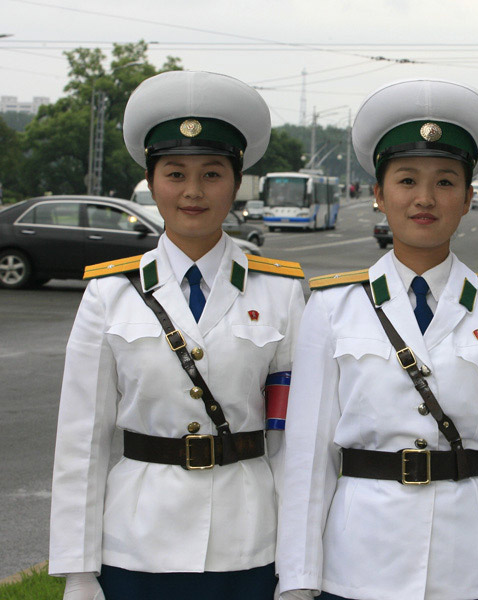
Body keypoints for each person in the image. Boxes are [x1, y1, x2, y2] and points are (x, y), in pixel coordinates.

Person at [48, 70, 306, 600]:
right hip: (135, 541)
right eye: (175, 173)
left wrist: (299, 572)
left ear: (236, 184)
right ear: (151, 181)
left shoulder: (280, 293)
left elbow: (291, 443)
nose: (192, 191)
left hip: (251, 541)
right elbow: (82, 440)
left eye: (212, 174)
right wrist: (78, 572)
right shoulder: (109, 293)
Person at [276, 78, 478, 600]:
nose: (425, 199)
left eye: (445, 182)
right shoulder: (331, 307)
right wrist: (298, 581)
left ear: (467, 198)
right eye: (407, 180)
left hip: (466, 563)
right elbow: (307, 455)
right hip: (357, 560)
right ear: (378, 195)